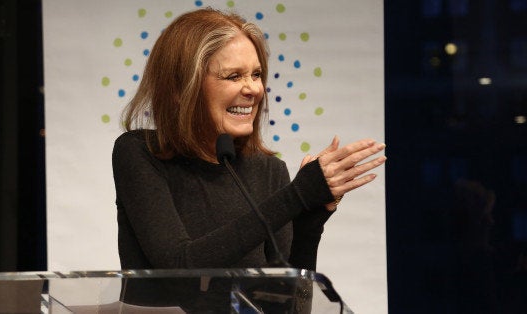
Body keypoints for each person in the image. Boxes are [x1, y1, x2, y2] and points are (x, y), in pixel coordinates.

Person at [112, 7, 386, 310]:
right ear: (180, 87)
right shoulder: (139, 153)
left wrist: (308, 223)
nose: (254, 89)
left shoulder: (268, 170)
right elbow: (180, 265)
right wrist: (295, 197)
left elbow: (290, 307)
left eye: (256, 74)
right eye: (234, 76)